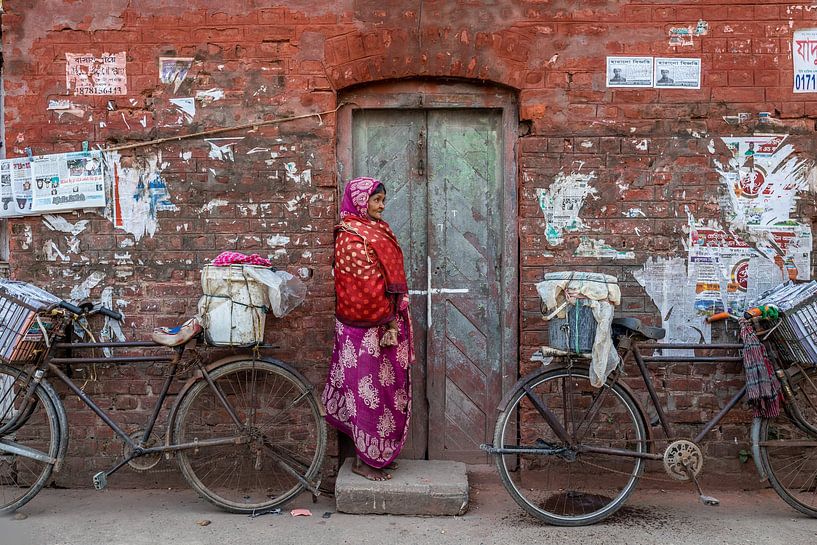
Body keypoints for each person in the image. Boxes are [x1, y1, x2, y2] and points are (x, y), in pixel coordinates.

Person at [322, 177, 414, 481]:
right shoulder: (349, 237)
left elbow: (387, 273)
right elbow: (361, 285)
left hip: (386, 326)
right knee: (365, 394)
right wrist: (386, 315)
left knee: (386, 392)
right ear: (361, 201)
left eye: (383, 200)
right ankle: (363, 461)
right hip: (362, 331)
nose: (381, 206)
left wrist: (391, 316)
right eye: (376, 200)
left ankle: (380, 455)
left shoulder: (378, 229)